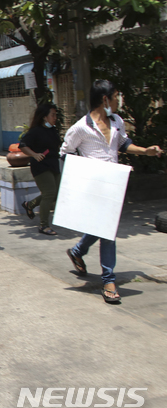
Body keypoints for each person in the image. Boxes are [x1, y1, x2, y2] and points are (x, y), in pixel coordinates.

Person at [61, 79, 163, 304]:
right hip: (92, 187)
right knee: (108, 232)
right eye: (116, 96)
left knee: (103, 227)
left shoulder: (117, 121)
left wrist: (146, 151)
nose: (118, 101)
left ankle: (78, 251)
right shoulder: (80, 127)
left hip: (113, 185)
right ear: (104, 99)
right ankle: (109, 280)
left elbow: (124, 144)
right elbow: (65, 154)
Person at [20, 104, 62, 235]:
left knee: (55, 194)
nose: (55, 117)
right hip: (41, 166)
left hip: (54, 164)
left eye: (56, 115)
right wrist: (34, 154)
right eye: (52, 115)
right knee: (49, 193)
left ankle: (30, 204)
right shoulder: (35, 131)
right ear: (45, 117)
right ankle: (44, 225)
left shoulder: (53, 130)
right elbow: (22, 145)